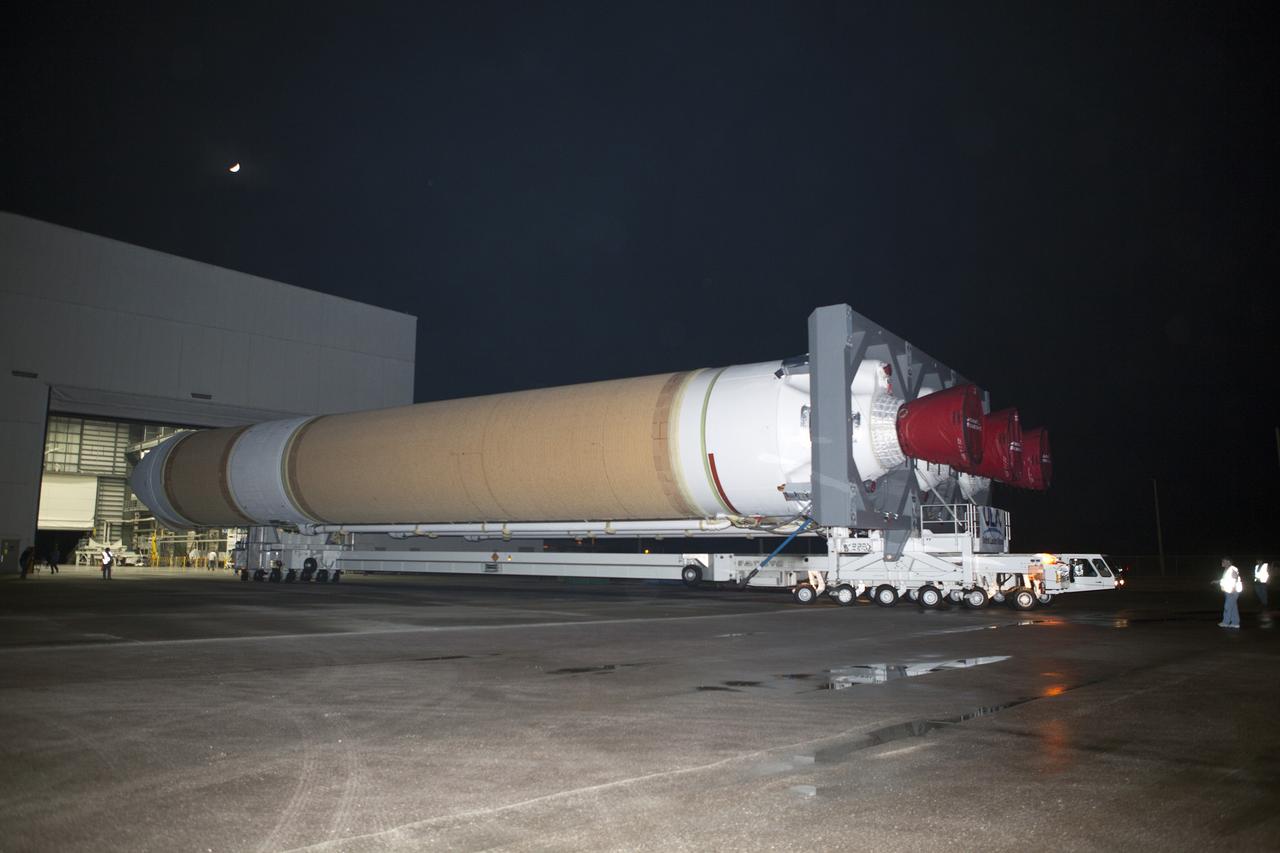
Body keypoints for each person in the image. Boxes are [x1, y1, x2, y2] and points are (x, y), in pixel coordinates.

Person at [1218, 557, 1242, 629]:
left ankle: (1226, 622)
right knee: (1233, 608)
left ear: (1228, 562)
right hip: (1229, 591)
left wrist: (1233, 589)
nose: (1222, 562)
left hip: (1232, 592)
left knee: (1227, 607)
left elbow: (1236, 578)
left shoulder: (1233, 569)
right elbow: (1225, 579)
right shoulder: (1227, 569)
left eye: (1223, 561)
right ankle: (1235, 623)